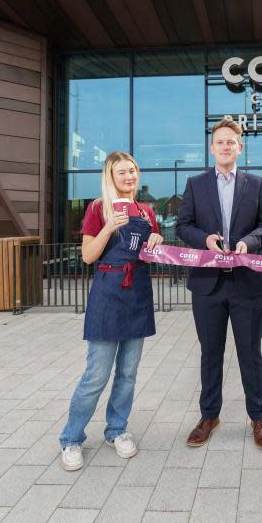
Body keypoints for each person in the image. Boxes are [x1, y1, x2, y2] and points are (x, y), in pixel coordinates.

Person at [59, 151, 163, 471]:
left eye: (132, 171)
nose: (129, 177)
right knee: (96, 376)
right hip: (107, 295)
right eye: (122, 173)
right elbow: (88, 256)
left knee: (128, 374)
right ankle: (72, 438)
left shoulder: (146, 212)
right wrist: (108, 228)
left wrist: (157, 240)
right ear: (110, 177)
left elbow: (147, 256)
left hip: (138, 296)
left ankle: (116, 430)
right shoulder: (97, 209)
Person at [177, 118, 262, 450]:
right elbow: (183, 226)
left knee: (251, 352)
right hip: (208, 285)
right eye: (219, 142)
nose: (225, 146)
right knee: (210, 353)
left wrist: (249, 242)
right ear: (212, 147)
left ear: (239, 147)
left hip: (247, 283)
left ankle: (258, 418)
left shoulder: (257, 184)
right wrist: (204, 239)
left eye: (231, 142)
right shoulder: (195, 184)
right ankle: (209, 416)